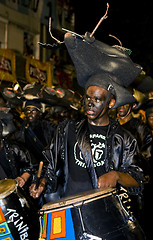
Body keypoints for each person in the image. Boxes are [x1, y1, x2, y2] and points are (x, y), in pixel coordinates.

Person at [12, 99, 56, 207]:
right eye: (27, 111)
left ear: (40, 113)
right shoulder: (21, 131)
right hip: (33, 169)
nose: (30, 113)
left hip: (50, 167)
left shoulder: (50, 127)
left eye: (33, 110)